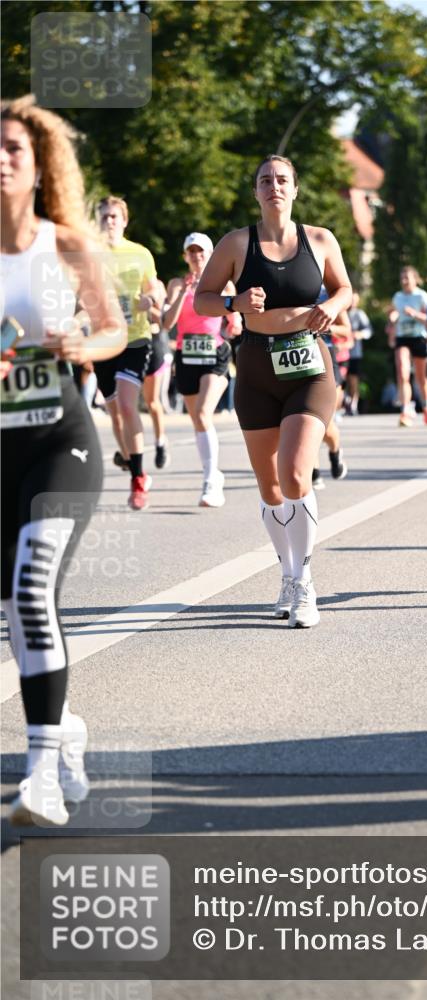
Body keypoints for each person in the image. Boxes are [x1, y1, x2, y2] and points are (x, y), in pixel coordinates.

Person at [1, 96, 126, 825]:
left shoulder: (67, 245)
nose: (3, 157)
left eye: (15, 147)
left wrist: (84, 346)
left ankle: (42, 768)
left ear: (37, 161)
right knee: (15, 610)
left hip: (61, 442)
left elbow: (113, 329)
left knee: (35, 584)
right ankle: (68, 729)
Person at [194, 154, 352, 627]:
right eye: (265, 180)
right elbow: (202, 296)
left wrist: (333, 305)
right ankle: (286, 572)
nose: (274, 186)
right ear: (257, 191)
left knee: (295, 473)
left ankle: (304, 583)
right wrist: (232, 302)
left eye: (282, 179)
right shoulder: (237, 243)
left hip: (309, 366)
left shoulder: (320, 240)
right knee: (270, 488)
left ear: (295, 189)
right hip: (257, 368)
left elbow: (346, 289)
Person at [95, 196, 165, 508]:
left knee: (126, 405)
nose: (109, 221)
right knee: (114, 414)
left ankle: (138, 480)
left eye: (114, 216)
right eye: (104, 216)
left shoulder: (140, 253)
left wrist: (152, 300)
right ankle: (128, 456)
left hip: (134, 338)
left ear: (124, 221)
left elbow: (155, 288)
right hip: (101, 341)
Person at [163, 232, 241, 506]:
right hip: (186, 356)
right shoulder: (175, 284)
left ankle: (210, 480)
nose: (197, 256)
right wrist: (184, 291)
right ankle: (214, 474)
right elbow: (165, 323)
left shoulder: (224, 284)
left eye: (202, 252)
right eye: (192, 252)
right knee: (197, 419)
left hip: (215, 354)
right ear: (186, 256)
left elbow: (236, 323)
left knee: (204, 413)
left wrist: (233, 323)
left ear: (210, 256)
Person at [312, 285, 351, 489]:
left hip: (326, 356)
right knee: (306, 417)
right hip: (300, 358)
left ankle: (335, 451)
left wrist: (325, 325)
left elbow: (347, 331)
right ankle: (314, 471)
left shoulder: (330, 293)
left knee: (324, 420)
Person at [388, 266, 427, 427]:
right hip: (402, 337)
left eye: (407, 277)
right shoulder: (398, 296)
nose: (404, 281)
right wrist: (392, 320)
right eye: (402, 278)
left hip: (419, 337)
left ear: (416, 279)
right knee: (402, 373)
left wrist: (414, 314)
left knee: (421, 377)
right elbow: (394, 313)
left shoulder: (422, 296)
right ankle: (406, 410)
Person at [142, 278, 172, 469]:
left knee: (152, 401)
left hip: (153, 345)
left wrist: (142, 306)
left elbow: (161, 320)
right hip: (130, 345)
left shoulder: (157, 285)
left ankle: (160, 442)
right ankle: (127, 451)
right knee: (123, 402)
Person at [344, 291, 372, 416]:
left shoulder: (359, 314)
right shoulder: (342, 313)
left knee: (353, 379)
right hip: (341, 351)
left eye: (355, 300)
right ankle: (344, 402)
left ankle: (353, 404)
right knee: (342, 378)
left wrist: (359, 335)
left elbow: (368, 330)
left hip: (354, 352)